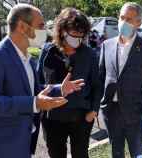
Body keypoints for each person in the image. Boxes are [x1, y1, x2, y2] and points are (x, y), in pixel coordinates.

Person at [0, 4, 84, 158]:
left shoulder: (28, 58)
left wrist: (60, 89)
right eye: (41, 25)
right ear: (22, 27)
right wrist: (34, 103)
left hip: (23, 142)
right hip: (0, 146)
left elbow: (33, 90)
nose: (45, 30)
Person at [37, 8, 101, 158]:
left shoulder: (89, 54)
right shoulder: (48, 51)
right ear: (62, 30)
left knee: (80, 155)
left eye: (82, 35)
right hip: (52, 117)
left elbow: (97, 85)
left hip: (81, 117)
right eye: (74, 34)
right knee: (56, 154)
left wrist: (93, 111)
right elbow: (37, 83)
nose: (78, 39)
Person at [99, 2, 142, 158]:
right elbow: (101, 77)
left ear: (138, 22)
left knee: (138, 153)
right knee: (116, 152)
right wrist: (101, 105)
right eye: (122, 17)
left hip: (136, 114)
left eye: (129, 19)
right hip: (111, 112)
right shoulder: (107, 45)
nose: (123, 22)